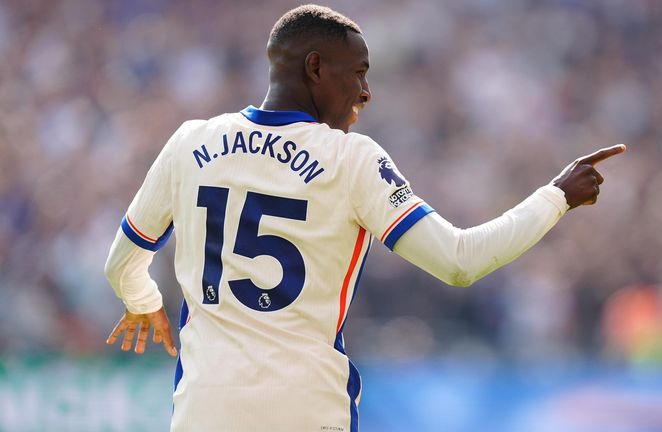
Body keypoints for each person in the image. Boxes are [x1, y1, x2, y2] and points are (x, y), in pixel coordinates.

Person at [104, 4, 625, 431]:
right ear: (314, 68)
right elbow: (461, 262)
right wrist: (557, 196)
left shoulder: (190, 142)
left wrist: (143, 300)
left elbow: (122, 262)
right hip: (306, 411)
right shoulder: (352, 160)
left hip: (204, 413)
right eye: (358, 74)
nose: (366, 93)